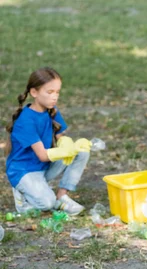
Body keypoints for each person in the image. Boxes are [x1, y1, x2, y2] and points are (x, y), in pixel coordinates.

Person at [5, 67, 91, 216]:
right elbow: (43, 155)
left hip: (43, 167)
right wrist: (65, 151)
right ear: (34, 93)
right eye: (50, 92)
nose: (55, 97)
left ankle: (62, 196)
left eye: (57, 92)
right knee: (47, 204)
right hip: (24, 171)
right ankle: (22, 195)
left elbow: (60, 136)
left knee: (81, 152)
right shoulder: (26, 120)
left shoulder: (51, 109)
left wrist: (71, 145)